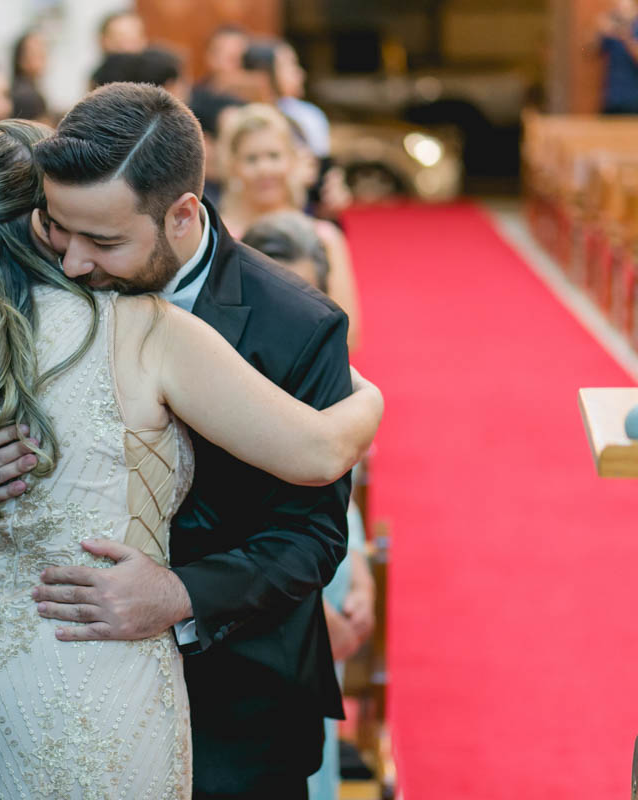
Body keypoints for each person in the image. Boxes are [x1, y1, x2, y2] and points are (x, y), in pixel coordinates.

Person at [0, 102, 382, 800]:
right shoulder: (22, 296)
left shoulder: (295, 323)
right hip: (45, 678)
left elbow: (311, 535)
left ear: (180, 215)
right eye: (55, 228)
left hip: (236, 694)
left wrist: (181, 594)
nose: (72, 261)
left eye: (103, 241)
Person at [240, 211, 377, 800]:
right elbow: (236, 518)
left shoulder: (326, 371)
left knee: (319, 744)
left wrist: (362, 569)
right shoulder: (232, 383)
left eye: (306, 296)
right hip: (273, 596)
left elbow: (347, 487)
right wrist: (310, 613)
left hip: (330, 570)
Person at [219, 103, 361, 351]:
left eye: (274, 156)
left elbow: (350, 334)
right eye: (251, 159)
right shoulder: (218, 238)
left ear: (292, 160)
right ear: (233, 165)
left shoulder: (324, 236)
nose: (264, 169)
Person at [598, 0, 638, 113]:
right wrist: (598, 28)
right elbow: (588, 50)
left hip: (633, 99)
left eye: (625, 8)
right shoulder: (613, 29)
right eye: (617, 7)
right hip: (612, 97)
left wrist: (624, 35)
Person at [11, 28, 49, 121]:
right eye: (36, 53)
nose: (44, 57)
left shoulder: (27, 89)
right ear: (21, 59)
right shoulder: (27, 97)